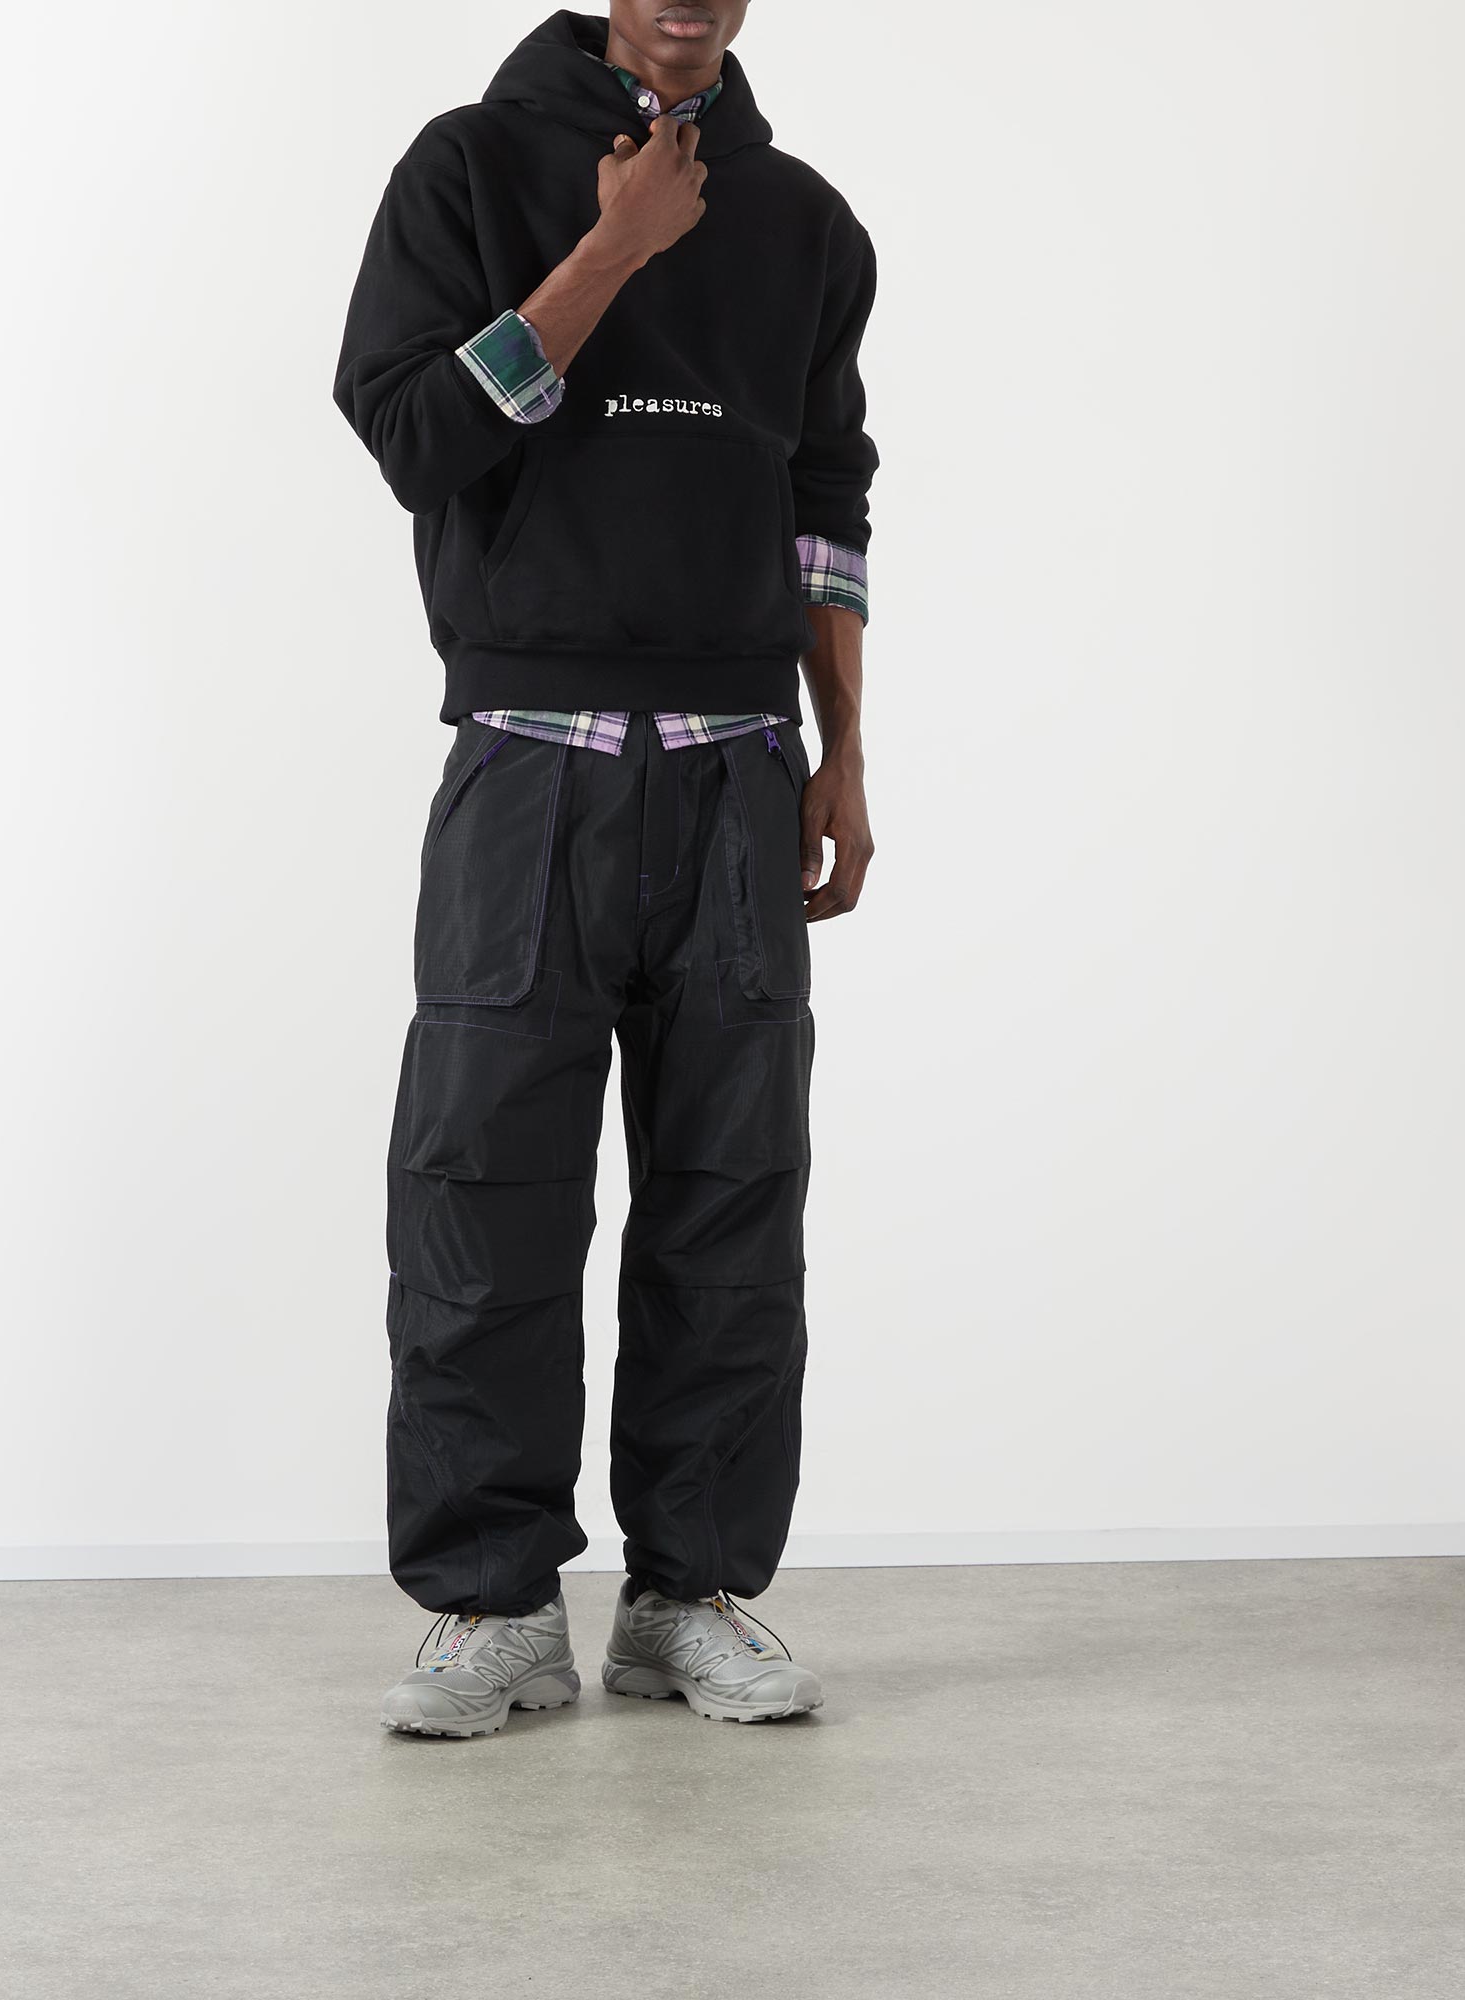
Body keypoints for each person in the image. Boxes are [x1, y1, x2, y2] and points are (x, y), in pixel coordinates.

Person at [333, 2, 876, 1737]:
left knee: (734, 1203)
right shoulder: (468, 168)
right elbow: (417, 437)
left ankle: (684, 1597)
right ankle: (492, 1606)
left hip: (739, 773)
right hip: (528, 768)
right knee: (482, 1198)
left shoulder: (805, 221)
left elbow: (825, 499)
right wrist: (613, 247)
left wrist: (845, 748)